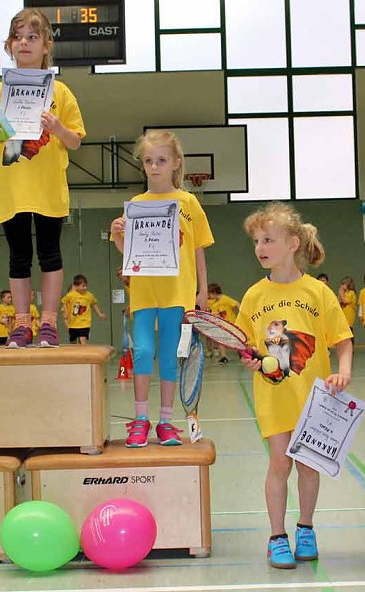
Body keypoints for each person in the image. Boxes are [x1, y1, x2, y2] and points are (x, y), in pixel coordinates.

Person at [0, 7, 85, 348]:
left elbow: (75, 140)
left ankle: (48, 323)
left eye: (32, 37)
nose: (24, 43)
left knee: (50, 253)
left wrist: (57, 128)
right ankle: (22, 323)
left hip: (46, 188)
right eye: (17, 37)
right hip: (9, 187)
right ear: (9, 46)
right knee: (18, 255)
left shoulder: (62, 93)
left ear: (46, 46)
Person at [235, 202, 352, 569]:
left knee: (308, 467)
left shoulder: (317, 292)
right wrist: (250, 358)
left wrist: (343, 371)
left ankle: (305, 528)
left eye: (268, 239)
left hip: (314, 396)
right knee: (279, 464)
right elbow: (246, 346)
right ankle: (276, 537)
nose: (260, 247)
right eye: (256, 241)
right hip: (273, 395)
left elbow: (343, 340)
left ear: (292, 243)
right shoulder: (254, 296)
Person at [110, 130, 214, 448]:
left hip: (177, 294)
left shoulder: (188, 202)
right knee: (142, 352)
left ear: (176, 163)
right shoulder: (137, 205)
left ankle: (166, 422)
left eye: (161, 161)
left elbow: (198, 250)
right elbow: (127, 253)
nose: (154, 167)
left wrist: (202, 291)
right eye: (148, 161)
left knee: (169, 356)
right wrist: (117, 234)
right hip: (143, 292)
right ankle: (141, 418)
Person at [61, 274, 106, 344]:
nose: (85, 288)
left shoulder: (89, 295)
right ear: (76, 286)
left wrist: (99, 314)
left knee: (83, 339)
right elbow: (64, 302)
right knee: (73, 341)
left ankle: (84, 353)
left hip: (85, 323)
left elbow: (94, 304)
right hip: (73, 324)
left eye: (85, 286)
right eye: (83, 286)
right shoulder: (71, 295)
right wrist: (66, 313)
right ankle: (74, 354)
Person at [208, 283, 240, 364]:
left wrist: (242, 314)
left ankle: (243, 353)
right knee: (220, 341)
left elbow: (237, 304)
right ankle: (223, 357)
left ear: (214, 293)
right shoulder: (214, 303)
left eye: (210, 294)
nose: (209, 296)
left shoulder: (225, 299)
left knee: (237, 341)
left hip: (231, 325)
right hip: (221, 326)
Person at [337, 276, 357, 342]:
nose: (342, 286)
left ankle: (351, 347)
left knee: (349, 331)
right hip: (343, 315)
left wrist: (341, 292)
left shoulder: (351, 293)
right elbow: (338, 302)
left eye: (344, 284)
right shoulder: (344, 293)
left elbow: (345, 301)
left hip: (349, 316)